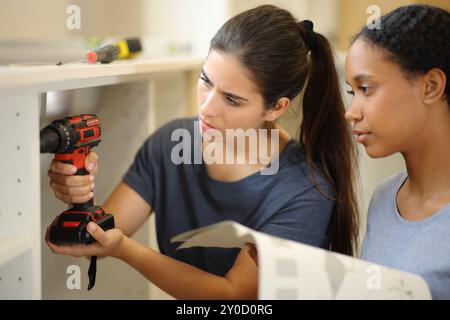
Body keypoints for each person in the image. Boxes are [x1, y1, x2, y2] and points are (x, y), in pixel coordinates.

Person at [46, 5, 359, 299]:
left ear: (276, 107)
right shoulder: (169, 144)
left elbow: (232, 295)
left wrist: (124, 249)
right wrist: (78, 195)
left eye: (232, 99)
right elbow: (99, 239)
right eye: (205, 81)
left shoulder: (304, 190)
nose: (207, 108)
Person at [345, 4, 450, 299]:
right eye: (352, 92)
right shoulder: (383, 199)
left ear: (431, 86)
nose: (351, 112)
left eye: (365, 88)